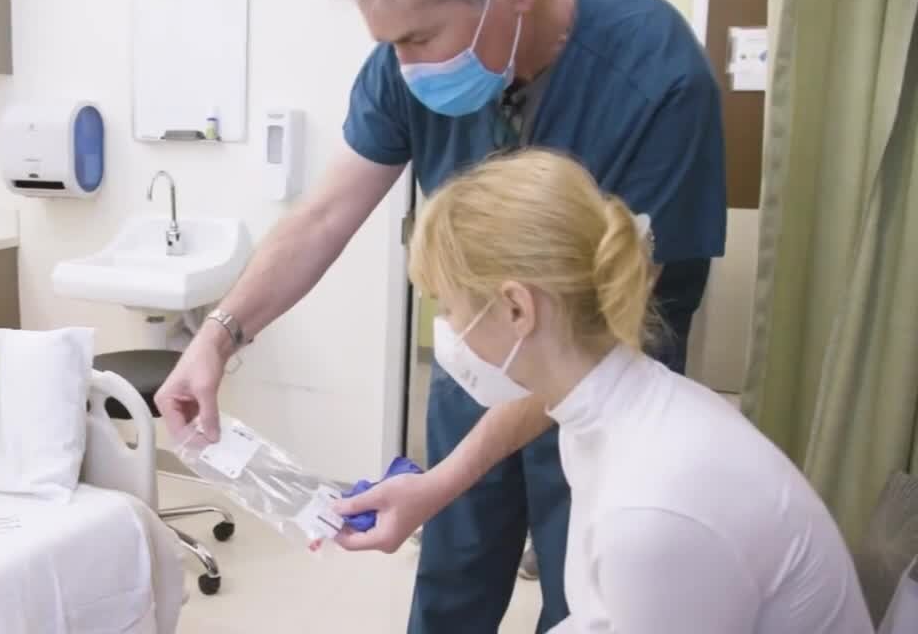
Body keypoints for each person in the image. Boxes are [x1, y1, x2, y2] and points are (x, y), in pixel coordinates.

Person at [154, 0, 725, 631]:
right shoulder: (406, 66)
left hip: (601, 380)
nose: (406, 64)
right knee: (451, 578)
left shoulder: (656, 74)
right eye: (391, 44)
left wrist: (446, 477)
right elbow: (326, 215)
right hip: (481, 357)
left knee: (587, 593)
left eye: (419, 38)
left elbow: (609, 331)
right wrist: (219, 334)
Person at [337, 148, 872, 633]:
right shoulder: (610, 411)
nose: (447, 330)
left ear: (517, 308)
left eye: (446, 306)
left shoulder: (653, 509)